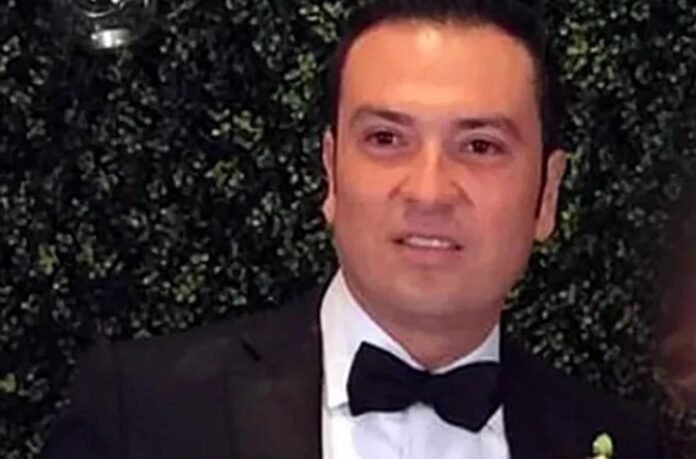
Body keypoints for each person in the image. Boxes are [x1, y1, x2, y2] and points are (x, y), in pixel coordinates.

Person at [41, 1, 668, 458]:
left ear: (547, 194)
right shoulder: (140, 415)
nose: (429, 191)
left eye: (480, 146)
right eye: (386, 139)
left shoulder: (626, 444)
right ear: (331, 173)